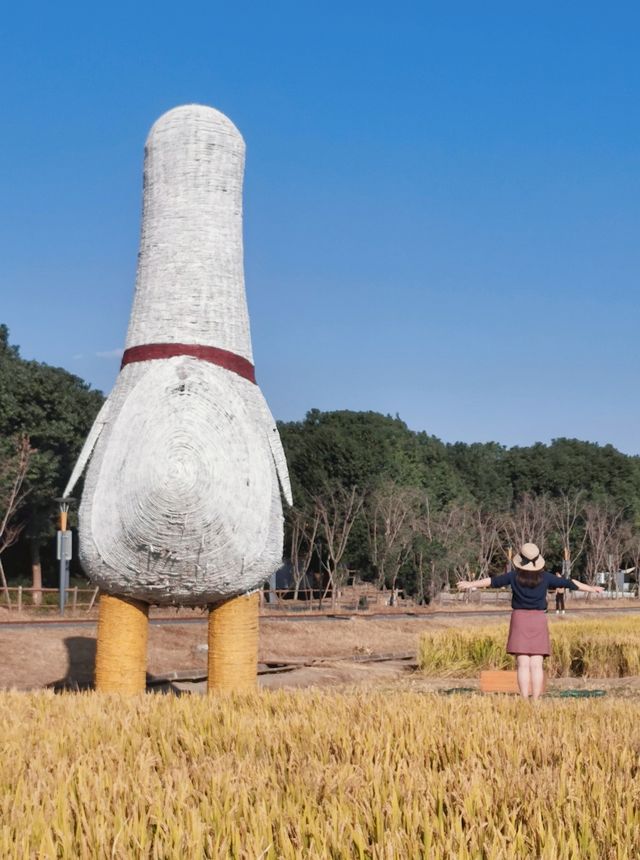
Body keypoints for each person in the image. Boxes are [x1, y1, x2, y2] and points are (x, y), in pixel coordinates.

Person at [457, 542, 603, 700]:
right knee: (536, 664)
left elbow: (492, 581)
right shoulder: (545, 577)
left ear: (520, 560)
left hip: (519, 619)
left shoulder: (513, 576)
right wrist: (592, 588)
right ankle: (536, 700)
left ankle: (525, 698)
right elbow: (570, 583)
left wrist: (470, 584)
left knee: (523, 664)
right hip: (539, 619)